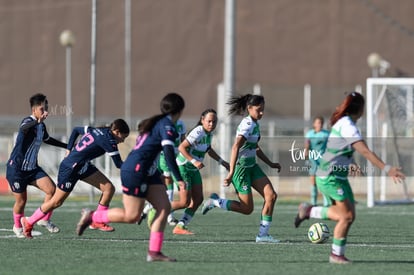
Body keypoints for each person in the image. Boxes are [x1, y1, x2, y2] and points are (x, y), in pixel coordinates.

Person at [294, 92, 405, 264]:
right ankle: (336, 255)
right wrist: (387, 169)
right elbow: (365, 151)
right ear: (359, 109)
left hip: (337, 176)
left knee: (349, 215)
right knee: (345, 217)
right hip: (329, 176)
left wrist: (351, 162)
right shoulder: (348, 126)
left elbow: (340, 149)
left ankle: (309, 211)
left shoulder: (345, 123)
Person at [75, 93, 186, 262]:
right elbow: (169, 154)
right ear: (179, 111)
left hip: (149, 171)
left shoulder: (157, 122)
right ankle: (93, 216)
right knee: (132, 216)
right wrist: (178, 179)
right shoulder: (166, 125)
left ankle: (154, 252)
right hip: (136, 170)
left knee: (164, 207)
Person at [20, 119, 130, 238]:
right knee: (56, 202)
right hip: (70, 168)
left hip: (82, 166)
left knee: (109, 188)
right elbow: (119, 164)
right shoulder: (109, 141)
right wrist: (138, 168)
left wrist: (69, 149)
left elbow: (76, 129)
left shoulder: (99, 130)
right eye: (123, 137)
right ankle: (29, 221)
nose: (122, 141)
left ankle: (97, 220)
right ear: (117, 132)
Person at [202, 94, 281, 243]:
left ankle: (263, 235)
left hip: (252, 167)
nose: (262, 113)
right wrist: (231, 172)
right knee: (247, 209)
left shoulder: (255, 123)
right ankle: (215, 202)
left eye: (263, 110)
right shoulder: (248, 124)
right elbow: (235, 146)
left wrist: (270, 163)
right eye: (259, 110)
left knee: (271, 196)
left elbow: (255, 147)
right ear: (249, 108)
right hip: (241, 170)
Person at [6, 93, 67, 238]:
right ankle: (17, 226)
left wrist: (68, 146)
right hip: (17, 170)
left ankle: (44, 220)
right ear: (34, 110)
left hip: (33, 169)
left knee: (52, 191)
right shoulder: (28, 121)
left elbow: (48, 140)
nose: (45, 111)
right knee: (21, 201)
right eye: (42, 108)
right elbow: (24, 129)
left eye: (46, 107)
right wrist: (38, 121)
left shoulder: (41, 126)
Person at [169, 108, 229, 235]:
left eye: (214, 122)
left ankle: (180, 225)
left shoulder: (209, 134)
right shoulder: (198, 131)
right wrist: (194, 161)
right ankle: (156, 208)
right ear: (202, 120)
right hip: (183, 168)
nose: (211, 124)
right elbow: (181, 147)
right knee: (184, 202)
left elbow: (208, 149)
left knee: (198, 199)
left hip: (192, 169)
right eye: (209, 121)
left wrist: (222, 162)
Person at [140, 119, 187, 226]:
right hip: (164, 156)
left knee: (164, 186)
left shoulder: (180, 123)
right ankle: (168, 216)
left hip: (175, 157)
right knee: (167, 183)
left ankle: (147, 209)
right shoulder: (162, 123)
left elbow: (183, 141)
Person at [304, 116, 330, 206]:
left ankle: (326, 202)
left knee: (324, 181)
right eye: (318, 122)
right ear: (314, 124)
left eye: (321, 123)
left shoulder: (326, 134)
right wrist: (306, 151)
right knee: (313, 181)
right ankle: (313, 202)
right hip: (313, 160)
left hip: (324, 160)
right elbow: (307, 144)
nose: (320, 124)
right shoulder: (310, 134)